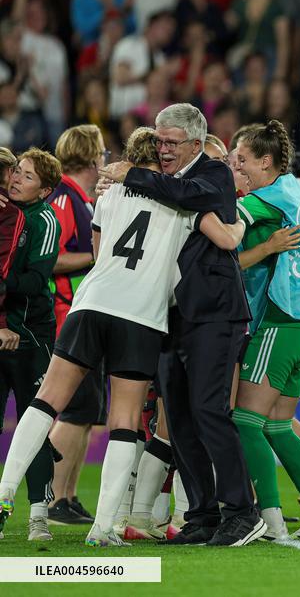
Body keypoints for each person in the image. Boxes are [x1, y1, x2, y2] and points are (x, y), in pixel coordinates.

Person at [0, 128, 243, 546]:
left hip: (91, 303)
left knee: (45, 402)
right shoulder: (183, 199)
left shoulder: (107, 194)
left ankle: (4, 493)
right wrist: (240, 221)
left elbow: (97, 250)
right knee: (125, 421)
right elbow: (226, 237)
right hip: (141, 316)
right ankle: (104, 528)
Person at [98, 103, 263, 547]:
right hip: (167, 315)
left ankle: (244, 513)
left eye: (171, 142)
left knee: (210, 410)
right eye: (159, 141)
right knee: (181, 419)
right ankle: (204, 515)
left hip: (214, 312)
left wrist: (129, 174)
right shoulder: (166, 180)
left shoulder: (213, 173)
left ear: (195, 141)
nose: (163, 149)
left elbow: (187, 196)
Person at [228, 120, 300, 540]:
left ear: (266, 162)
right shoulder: (294, 192)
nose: (238, 167)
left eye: (243, 160)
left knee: (245, 419)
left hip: (280, 319)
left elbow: (226, 226)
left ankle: (270, 522)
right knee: (277, 425)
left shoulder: (267, 199)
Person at [45, 125, 105, 526]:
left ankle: (67, 496)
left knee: (84, 411)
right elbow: (50, 259)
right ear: (90, 156)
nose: (105, 157)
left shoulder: (81, 200)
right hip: (67, 315)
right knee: (72, 411)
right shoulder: (65, 199)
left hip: (84, 314)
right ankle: (51, 499)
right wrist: (96, 259)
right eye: (101, 151)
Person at [0, 147, 51, 541]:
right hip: (2, 330)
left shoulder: (43, 221)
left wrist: (4, 282)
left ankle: (39, 515)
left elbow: (37, 280)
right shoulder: (4, 214)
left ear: (44, 190)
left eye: (28, 176)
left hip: (31, 336)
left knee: (33, 426)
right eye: (17, 171)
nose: (17, 178)